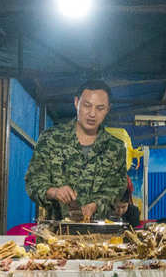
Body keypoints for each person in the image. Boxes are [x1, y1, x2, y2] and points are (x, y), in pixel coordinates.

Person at [25, 80, 127, 222]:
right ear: (76, 102)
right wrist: (54, 192)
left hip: (97, 238)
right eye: (87, 105)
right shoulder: (51, 138)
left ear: (108, 109)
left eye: (100, 108)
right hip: (55, 235)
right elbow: (33, 182)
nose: (92, 113)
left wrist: (96, 205)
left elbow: (116, 190)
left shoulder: (116, 148)